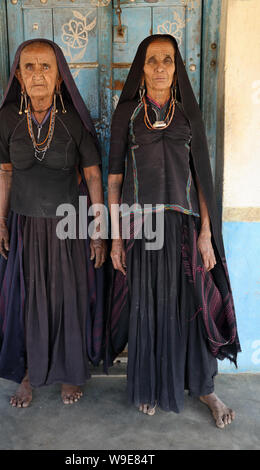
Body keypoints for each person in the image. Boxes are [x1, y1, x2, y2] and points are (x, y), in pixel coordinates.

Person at [105, 34, 241, 429]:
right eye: (152, 60)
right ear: (142, 68)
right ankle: (148, 385)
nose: (160, 67)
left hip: (184, 228)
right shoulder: (126, 115)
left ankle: (204, 387)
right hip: (141, 228)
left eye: (168, 59)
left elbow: (202, 179)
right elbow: (114, 179)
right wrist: (115, 237)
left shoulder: (187, 115)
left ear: (177, 66)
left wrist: (205, 233)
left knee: (193, 304)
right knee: (145, 307)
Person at [0, 39, 107, 407]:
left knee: (65, 300)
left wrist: (99, 231)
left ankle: (70, 373)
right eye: (29, 67)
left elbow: (93, 177)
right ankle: (28, 373)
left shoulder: (73, 122)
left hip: (67, 228)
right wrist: (2, 223)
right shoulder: (7, 119)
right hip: (25, 227)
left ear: (59, 78)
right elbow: (6, 174)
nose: (37, 75)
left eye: (46, 67)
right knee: (25, 301)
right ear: (18, 76)